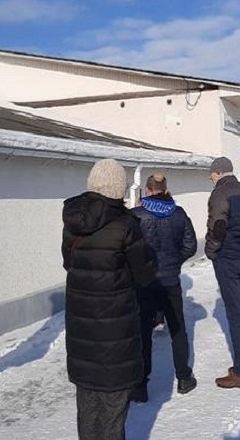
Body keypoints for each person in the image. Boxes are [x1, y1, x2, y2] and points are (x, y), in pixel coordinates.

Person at [62, 159, 157, 440]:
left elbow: (69, 263)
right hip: (116, 326)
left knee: (88, 404)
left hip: (82, 325)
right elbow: (144, 274)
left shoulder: (72, 222)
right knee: (113, 408)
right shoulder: (126, 224)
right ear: (119, 188)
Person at [131, 173, 198, 402]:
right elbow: (190, 245)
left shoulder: (136, 215)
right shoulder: (178, 213)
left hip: (145, 282)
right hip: (170, 281)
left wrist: (140, 267)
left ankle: (141, 385)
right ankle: (184, 377)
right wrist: (175, 261)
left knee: (143, 331)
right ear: (165, 188)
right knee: (177, 328)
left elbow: (128, 248)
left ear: (147, 189)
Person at [205, 157, 240, 389]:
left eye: (211, 174)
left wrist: (211, 251)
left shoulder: (220, 193)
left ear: (218, 172)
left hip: (228, 256)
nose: (210, 177)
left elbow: (217, 227)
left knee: (236, 313)